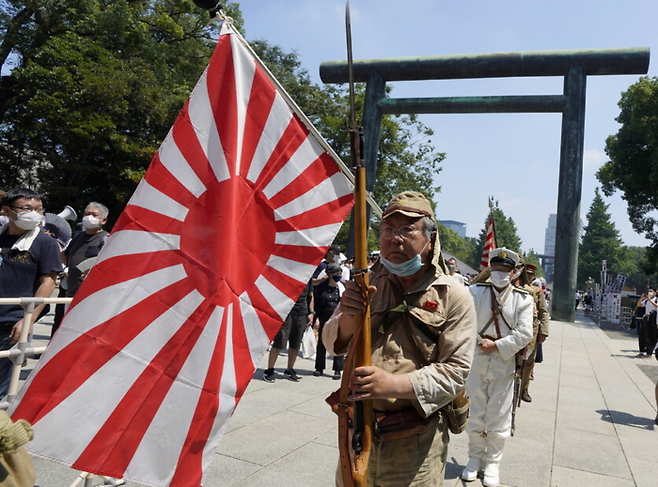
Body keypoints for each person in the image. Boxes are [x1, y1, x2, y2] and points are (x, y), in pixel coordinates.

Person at [323, 191, 476, 486]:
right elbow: (331, 342)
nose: (395, 238)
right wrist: (349, 318)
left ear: (430, 238)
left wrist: (393, 384)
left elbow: (456, 372)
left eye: (407, 229)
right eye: (388, 230)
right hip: (356, 432)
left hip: (415, 444)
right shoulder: (365, 281)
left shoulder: (452, 295)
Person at [462, 248, 533, 487]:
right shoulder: (474, 292)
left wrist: (498, 345)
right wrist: (482, 343)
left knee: (499, 415)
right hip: (477, 359)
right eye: (496, 269)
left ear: (514, 273)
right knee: (476, 412)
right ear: (490, 269)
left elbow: (525, 334)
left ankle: (492, 462)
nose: (500, 274)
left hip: (504, 364)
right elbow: (463, 322)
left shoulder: (523, 298)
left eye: (505, 271)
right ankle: (473, 459)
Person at [0, 188, 62, 397]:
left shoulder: (45, 242)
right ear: (7, 211)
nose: (34, 213)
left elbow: (48, 282)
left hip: (12, 321)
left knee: (2, 380)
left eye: (38, 209)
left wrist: (29, 319)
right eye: (26, 208)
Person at [263, 280, 314, 383]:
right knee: (279, 343)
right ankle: (269, 370)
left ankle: (289, 369)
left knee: (295, 344)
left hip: (302, 313)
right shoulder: (290, 273)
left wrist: (311, 312)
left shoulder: (308, 275)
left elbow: (311, 295)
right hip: (287, 314)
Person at [62, 202, 110, 299]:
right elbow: (65, 255)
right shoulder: (77, 237)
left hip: (93, 294)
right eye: (87, 214)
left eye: (94, 215)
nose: (89, 217)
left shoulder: (106, 239)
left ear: (104, 220)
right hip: (72, 291)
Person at [517, 263, 548, 403]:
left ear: (533, 276)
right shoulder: (515, 288)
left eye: (530, 274)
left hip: (532, 332)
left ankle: (524, 389)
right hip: (515, 329)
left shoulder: (538, 291)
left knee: (528, 363)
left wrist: (544, 332)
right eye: (526, 273)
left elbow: (543, 312)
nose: (527, 276)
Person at [313, 263, 346, 380]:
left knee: (339, 342)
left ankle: (337, 369)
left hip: (338, 317)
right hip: (323, 316)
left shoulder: (342, 287)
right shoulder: (321, 287)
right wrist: (315, 317)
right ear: (329, 274)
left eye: (339, 273)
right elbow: (316, 303)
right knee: (322, 342)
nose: (338, 276)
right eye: (335, 274)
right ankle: (319, 367)